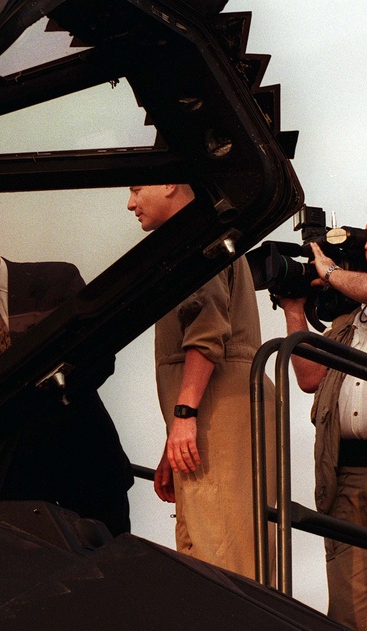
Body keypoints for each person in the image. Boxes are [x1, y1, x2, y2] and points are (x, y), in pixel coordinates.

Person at [0, 194, 134, 536]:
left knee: (113, 576)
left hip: (85, 461)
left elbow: (97, 358)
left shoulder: (57, 280)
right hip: (10, 482)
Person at [127, 184, 275, 579]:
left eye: (137, 188)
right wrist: (173, 437)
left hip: (216, 411)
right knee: (198, 552)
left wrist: (185, 413)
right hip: (208, 413)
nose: (130, 203)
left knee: (224, 559)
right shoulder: (197, 236)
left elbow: (206, 331)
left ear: (171, 184)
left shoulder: (199, 237)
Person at [278, 202, 367, 631]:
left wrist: (329, 271)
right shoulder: (350, 319)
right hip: (348, 476)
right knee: (352, 621)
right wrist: (294, 308)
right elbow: (309, 377)